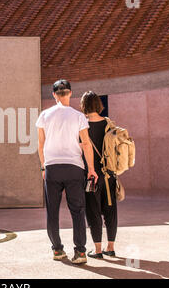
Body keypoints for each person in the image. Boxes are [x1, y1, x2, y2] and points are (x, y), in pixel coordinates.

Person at [36, 79, 98, 264]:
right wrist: (92, 169)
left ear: (54, 94)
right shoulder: (79, 116)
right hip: (74, 168)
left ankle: (57, 250)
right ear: (70, 93)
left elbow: (40, 144)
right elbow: (86, 144)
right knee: (78, 211)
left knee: (52, 212)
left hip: (52, 168)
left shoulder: (44, 115)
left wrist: (43, 167)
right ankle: (80, 253)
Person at [80, 91, 118, 259]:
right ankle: (111, 247)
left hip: (91, 175)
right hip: (109, 174)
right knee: (111, 210)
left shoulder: (82, 126)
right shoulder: (109, 124)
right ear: (99, 105)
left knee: (93, 211)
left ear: (84, 106)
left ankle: (97, 250)